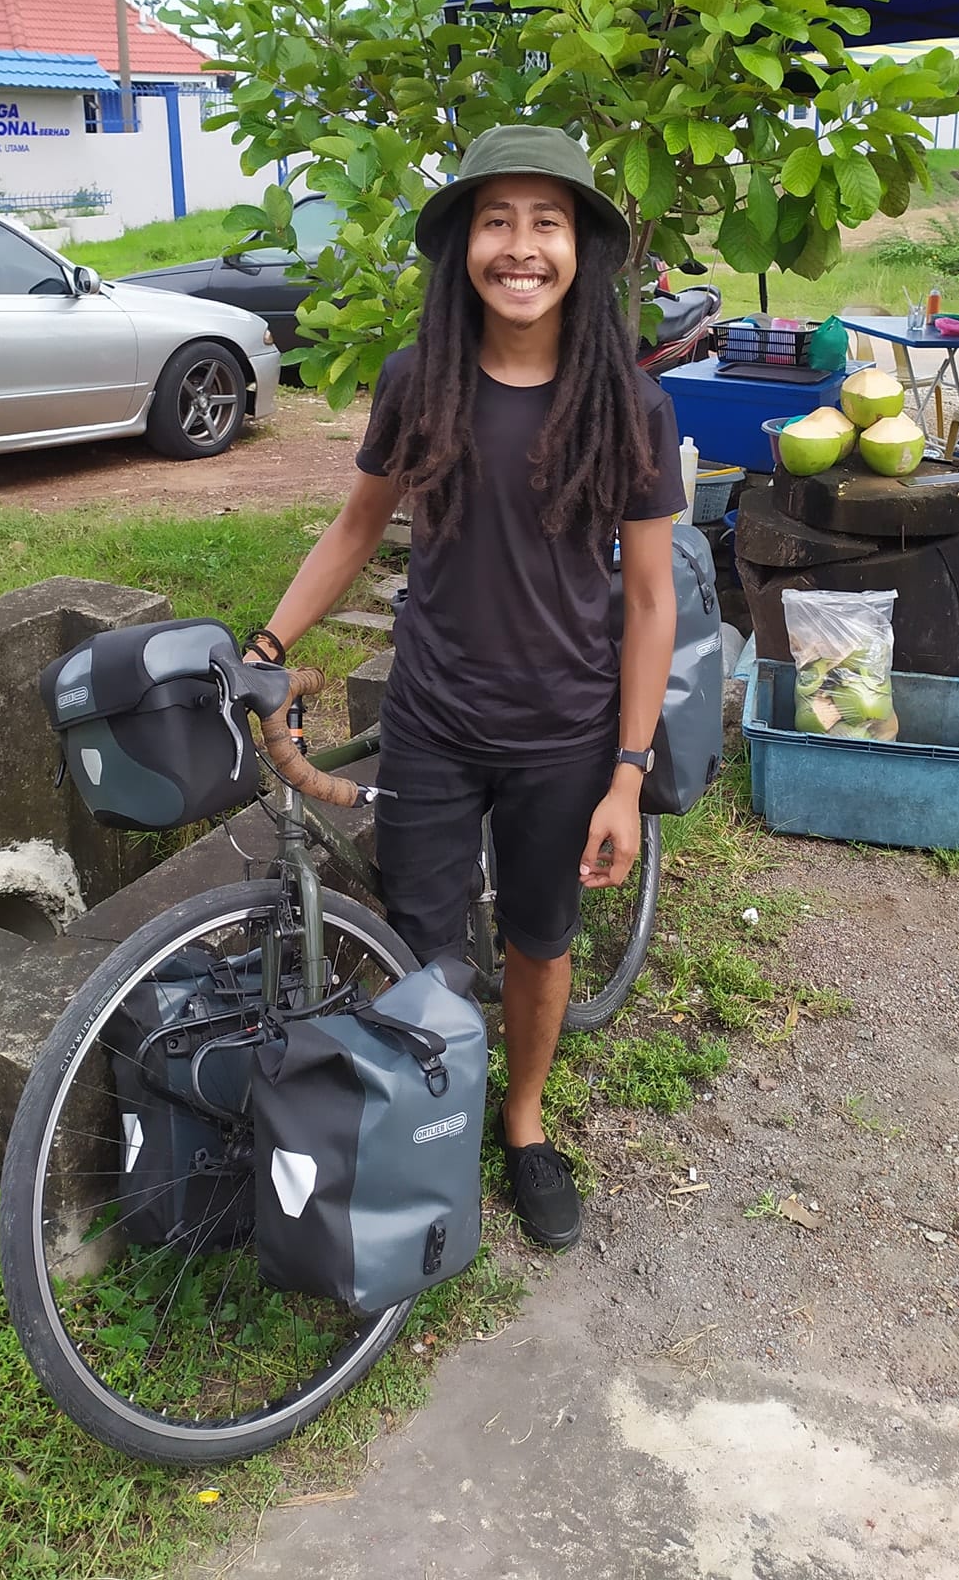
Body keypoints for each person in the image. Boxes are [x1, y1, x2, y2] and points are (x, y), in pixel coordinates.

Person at [243, 124, 683, 1248]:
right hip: (433, 718)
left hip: (566, 729)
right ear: (464, 247)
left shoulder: (627, 406)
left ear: (581, 246)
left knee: (540, 939)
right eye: (497, 220)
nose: (520, 246)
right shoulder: (417, 382)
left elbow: (647, 601)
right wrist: (267, 640)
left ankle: (524, 1124)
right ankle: (433, 1120)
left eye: (546, 221)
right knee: (422, 946)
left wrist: (628, 774)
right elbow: (355, 525)